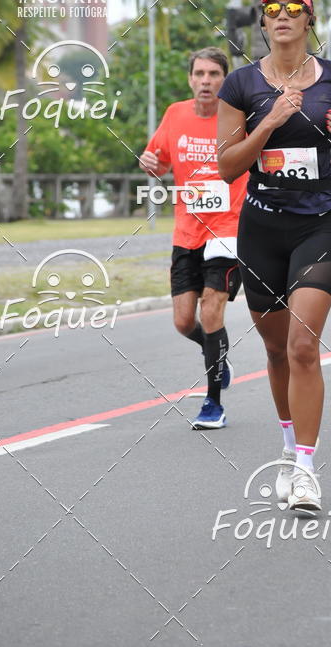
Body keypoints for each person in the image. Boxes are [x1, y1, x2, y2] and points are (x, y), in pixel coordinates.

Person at [216, 0, 331, 512]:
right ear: (263, 23)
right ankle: (286, 447)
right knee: (276, 351)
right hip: (261, 228)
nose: (282, 15)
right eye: (272, 9)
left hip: (320, 225)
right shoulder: (240, 85)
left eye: (293, 8)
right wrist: (271, 122)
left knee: (304, 346)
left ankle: (305, 469)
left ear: (309, 20)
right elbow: (227, 164)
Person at [139, 47, 247, 430]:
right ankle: (217, 356)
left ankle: (213, 403)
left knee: (211, 310)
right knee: (185, 322)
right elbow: (160, 161)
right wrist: (149, 162)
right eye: (199, 74)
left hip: (228, 229)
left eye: (214, 74)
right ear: (190, 79)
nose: (206, 81)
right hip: (187, 231)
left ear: (225, 80)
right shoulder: (175, 114)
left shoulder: (237, 118)